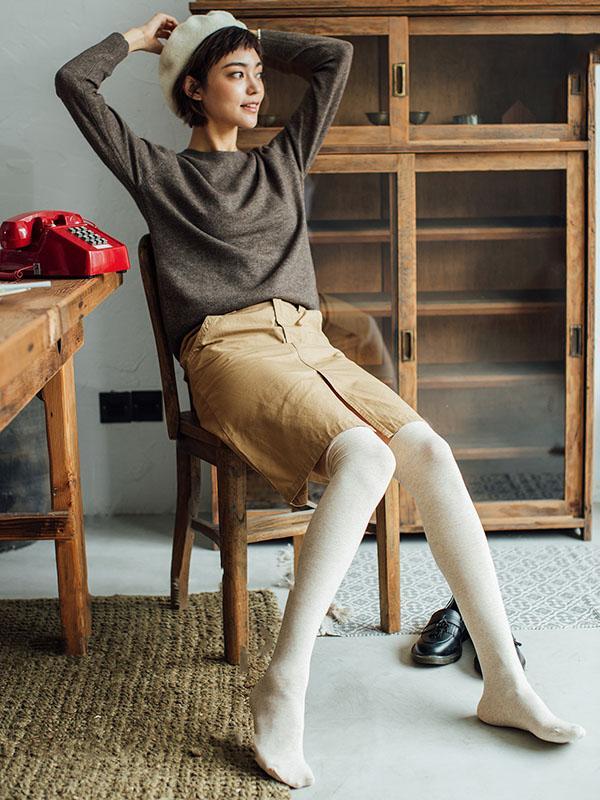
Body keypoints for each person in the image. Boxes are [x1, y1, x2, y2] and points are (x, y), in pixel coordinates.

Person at [54, 9, 586, 790]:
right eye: (235, 75)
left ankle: (502, 680)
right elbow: (74, 82)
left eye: (257, 75)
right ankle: (284, 683)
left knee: (429, 451)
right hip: (229, 350)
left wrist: (245, 36)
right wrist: (143, 41)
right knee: (366, 456)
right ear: (194, 90)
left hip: (311, 344)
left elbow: (333, 58)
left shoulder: (282, 159)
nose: (256, 88)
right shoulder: (160, 172)